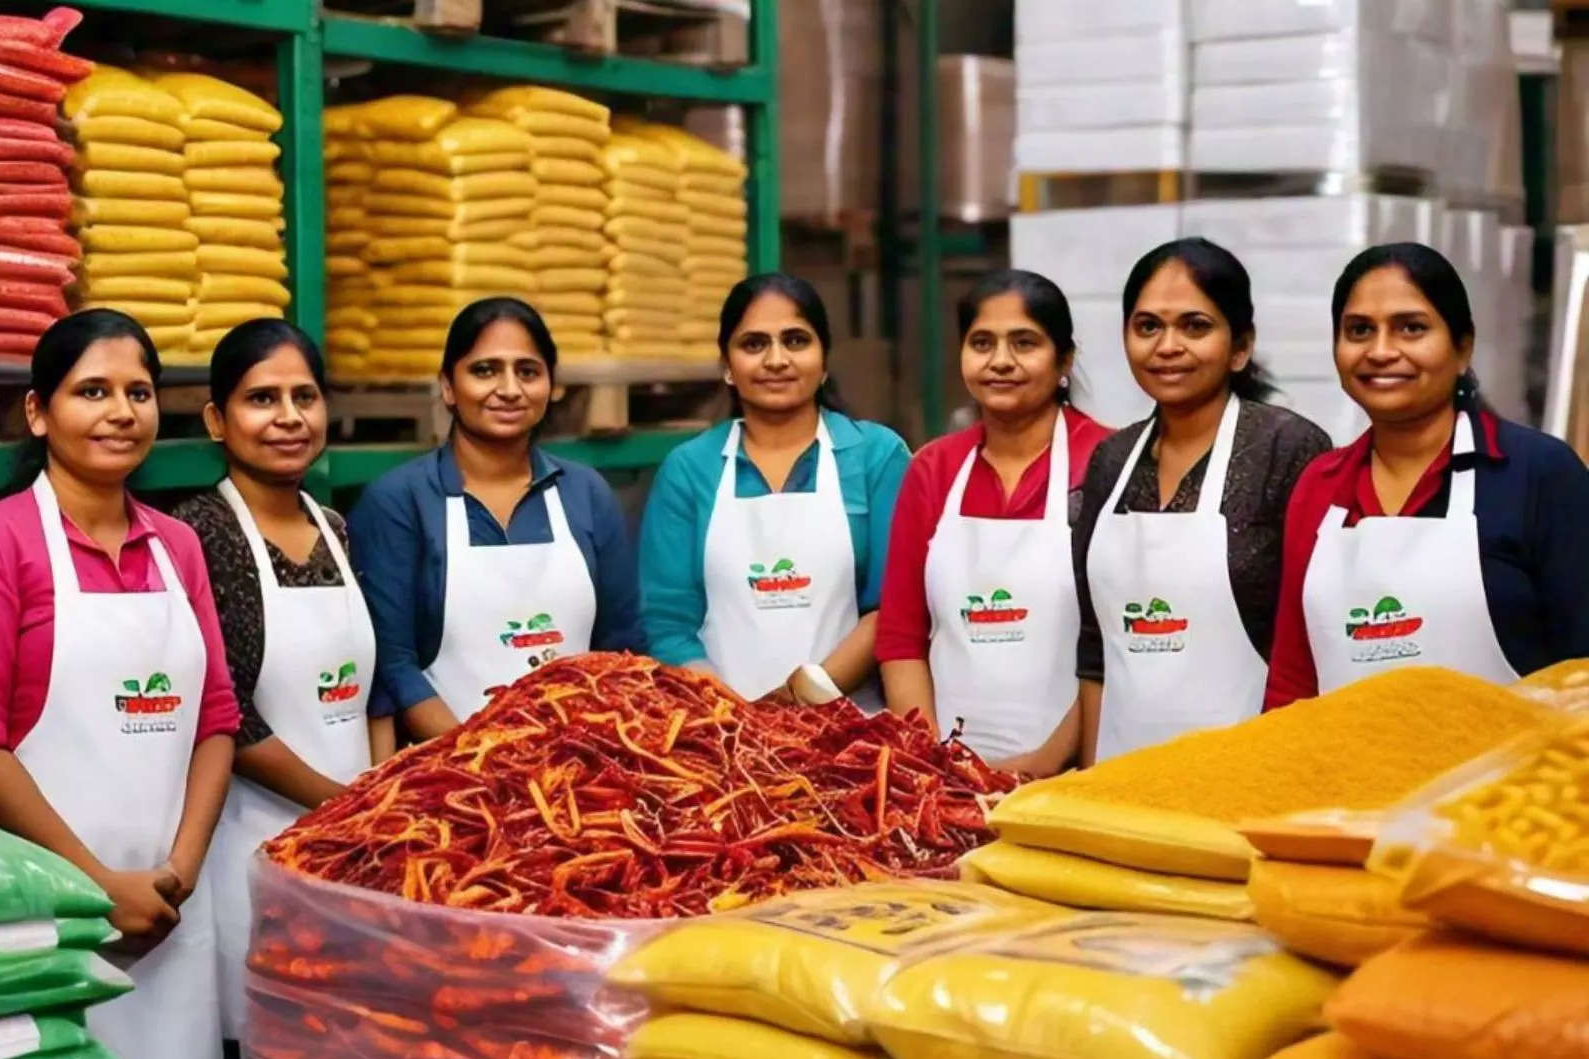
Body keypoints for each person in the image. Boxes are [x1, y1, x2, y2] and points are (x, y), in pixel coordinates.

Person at [0, 309, 235, 1059]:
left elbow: (217, 719)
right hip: (43, 907)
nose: (120, 412)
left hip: (172, 912)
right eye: (91, 390)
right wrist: (95, 887)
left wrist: (180, 871)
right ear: (39, 412)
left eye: (139, 391)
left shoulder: (180, 547)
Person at [169, 319, 394, 1044]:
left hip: (357, 840)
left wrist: (387, 796)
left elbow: (372, 685)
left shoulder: (335, 524)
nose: (289, 418)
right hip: (253, 843)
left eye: (305, 396)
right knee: (268, 1038)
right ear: (217, 420)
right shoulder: (199, 533)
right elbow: (227, 713)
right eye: (262, 399)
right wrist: (344, 808)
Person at [1265, 243, 1589, 705]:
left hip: (1513, 776)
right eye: (1359, 330)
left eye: (1411, 329)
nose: (1380, 351)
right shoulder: (1320, 485)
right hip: (1347, 775)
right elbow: (1293, 682)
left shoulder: (1540, 474)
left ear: (1463, 348)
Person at [1075, 238, 1331, 763]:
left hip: (1253, 771)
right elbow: (1095, 648)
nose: (1168, 346)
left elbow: (1314, 638)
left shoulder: (1289, 448)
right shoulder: (1111, 460)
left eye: (1195, 326)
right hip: (1121, 773)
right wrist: (1085, 781)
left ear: (1240, 346)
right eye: (1148, 327)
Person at [347, 298, 645, 738]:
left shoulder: (586, 494)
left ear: (552, 385)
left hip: (584, 772)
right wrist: (476, 760)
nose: (509, 389)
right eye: (484, 371)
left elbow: (623, 646)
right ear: (447, 386)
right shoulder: (399, 502)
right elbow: (394, 666)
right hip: (451, 779)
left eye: (527, 371)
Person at [877, 270, 1111, 773]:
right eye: (982, 343)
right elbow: (901, 636)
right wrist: (932, 763)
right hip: (946, 779)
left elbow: (1117, 650)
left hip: (1074, 770)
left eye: (1024, 343)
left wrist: (1042, 763)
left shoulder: (1109, 461)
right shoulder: (932, 469)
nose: (1000, 361)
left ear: (1064, 359)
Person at [640, 273, 910, 704]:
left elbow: (893, 606)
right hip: (722, 735)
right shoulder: (688, 469)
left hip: (854, 737)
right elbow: (669, 622)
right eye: (754, 344)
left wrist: (802, 695)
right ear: (727, 366)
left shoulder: (877, 457)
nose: (776, 359)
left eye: (796, 341)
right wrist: (733, 718)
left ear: (824, 361)